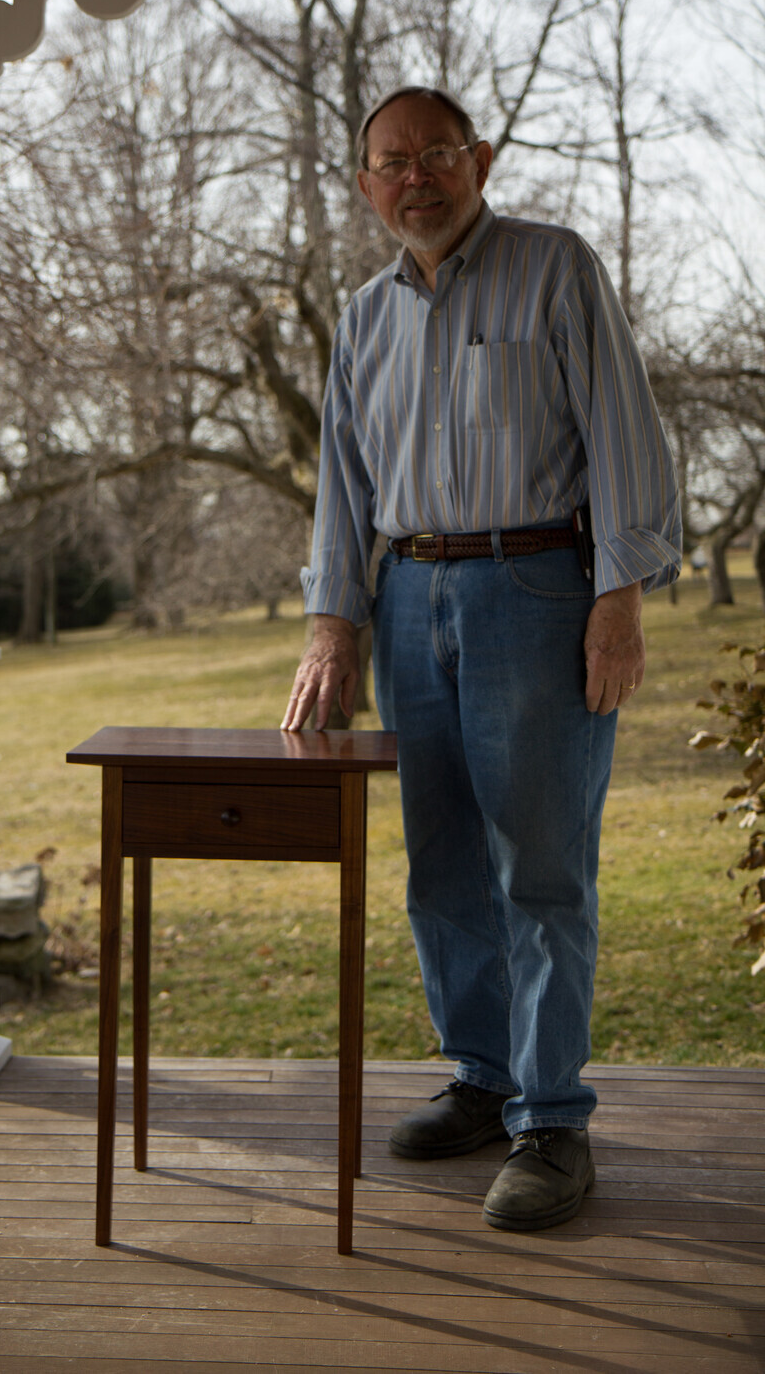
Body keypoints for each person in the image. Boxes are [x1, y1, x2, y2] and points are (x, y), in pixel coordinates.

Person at [281, 85, 681, 1231]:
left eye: (437, 153)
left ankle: (553, 1121)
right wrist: (334, 622)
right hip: (407, 598)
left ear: (481, 159)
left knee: (541, 866)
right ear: (366, 187)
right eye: (391, 161)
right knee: (443, 862)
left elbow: (622, 433)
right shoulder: (361, 319)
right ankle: (483, 1077)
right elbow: (344, 490)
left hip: (536, 590)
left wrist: (620, 598)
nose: (416, 176)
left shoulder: (556, 268)